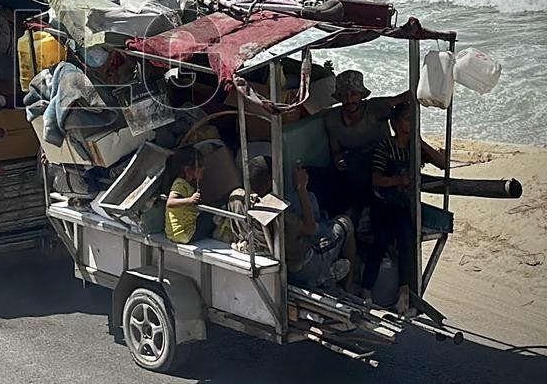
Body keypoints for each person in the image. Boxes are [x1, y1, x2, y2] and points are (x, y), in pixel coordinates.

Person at [362, 102, 446, 315]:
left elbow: (443, 163)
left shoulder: (413, 149)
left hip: (403, 206)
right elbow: (376, 179)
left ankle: (404, 296)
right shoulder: (385, 147)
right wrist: (398, 180)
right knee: (381, 240)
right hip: (382, 203)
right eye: (408, 119)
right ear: (396, 124)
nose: (412, 123)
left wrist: (421, 142)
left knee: (407, 243)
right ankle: (366, 292)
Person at [226, 156, 355, 291]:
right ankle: (344, 284)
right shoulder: (274, 212)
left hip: (260, 251)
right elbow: (311, 228)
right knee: (345, 223)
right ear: (271, 182)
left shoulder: (235, 198)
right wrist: (301, 189)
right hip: (302, 266)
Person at [322, 70, 410, 219]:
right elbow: (335, 150)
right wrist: (338, 160)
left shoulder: (376, 107)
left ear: (361, 95)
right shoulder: (332, 119)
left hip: (384, 163)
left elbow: (405, 98)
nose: (350, 99)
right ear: (340, 97)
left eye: (354, 94)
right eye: (345, 94)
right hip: (354, 167)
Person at [163, 147, 209, 243]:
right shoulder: (179, 184)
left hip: (177, 234)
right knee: (210, 217)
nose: (203, 169)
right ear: (188, 169)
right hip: (185, 233)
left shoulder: (187, 185)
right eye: (200, 166)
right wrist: (190, 200)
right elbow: (170, 202)